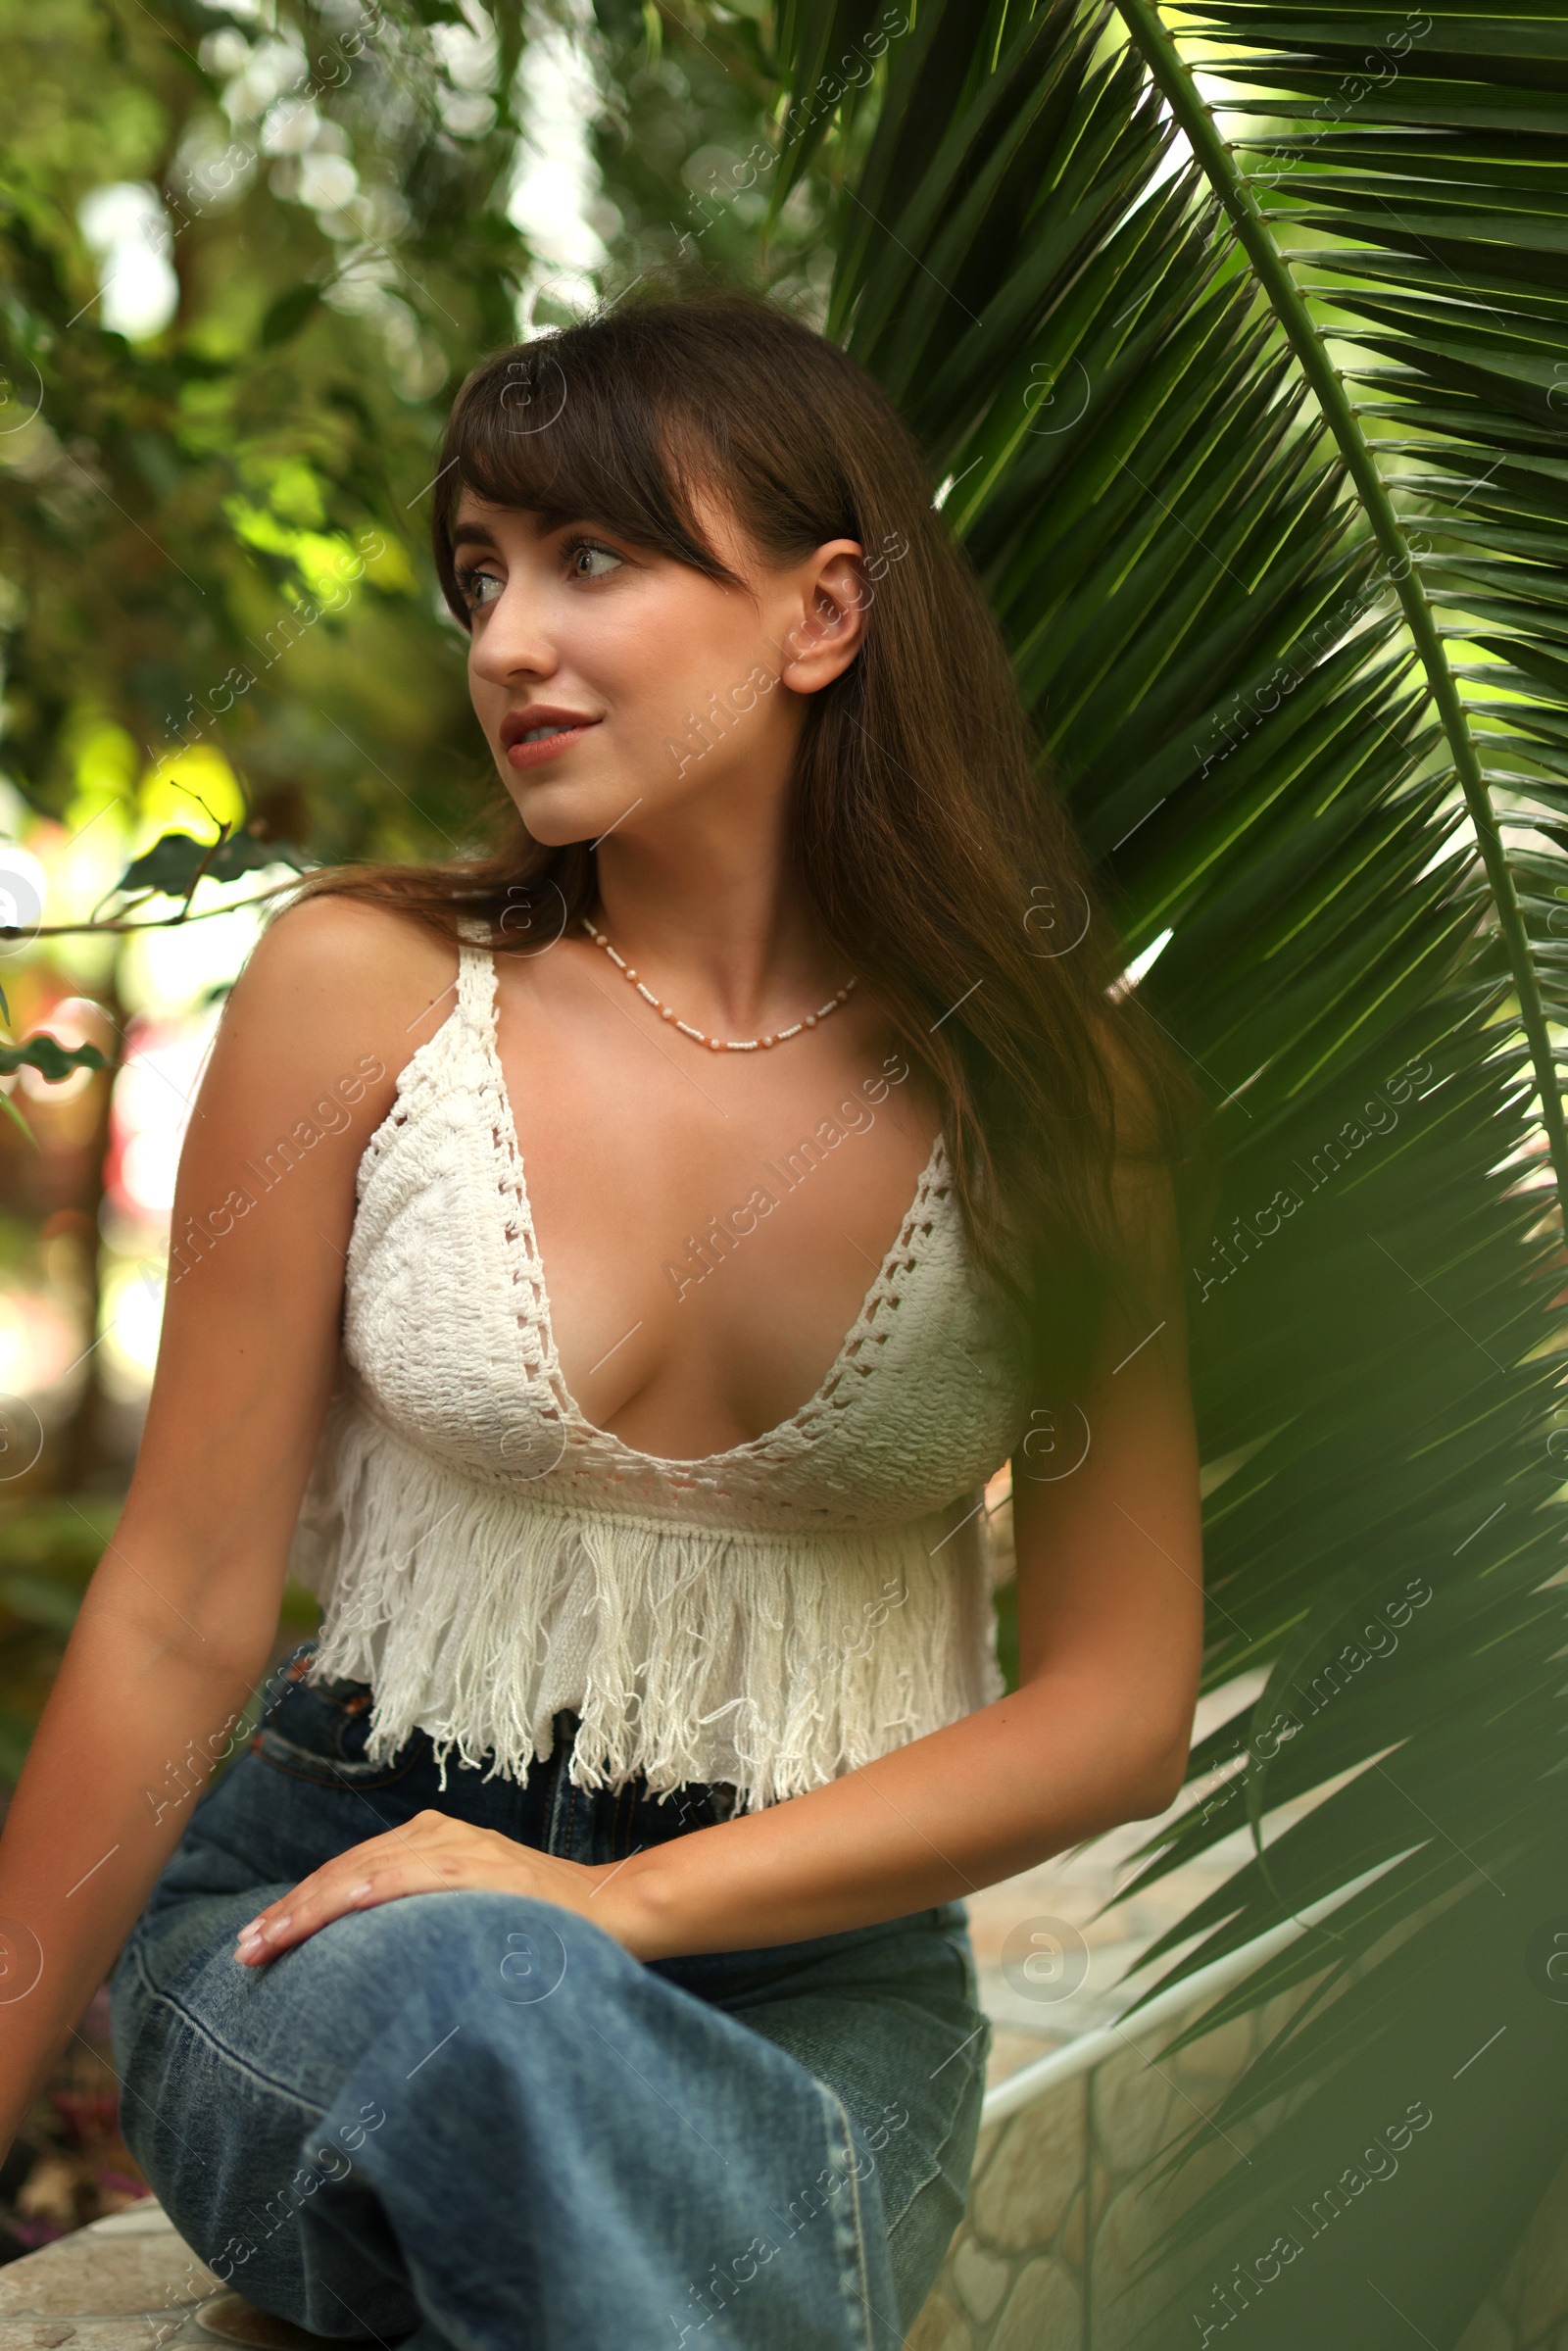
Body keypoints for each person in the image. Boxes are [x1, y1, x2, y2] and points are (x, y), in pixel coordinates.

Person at [0, 287, 1206, 2348]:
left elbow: (1113, 1705)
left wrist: (612, 1903)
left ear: (822, 615)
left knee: (548, 2016)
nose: (501, 642)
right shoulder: (365, 991)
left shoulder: (1050, 1103)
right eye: (477, 573)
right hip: (329, 1937)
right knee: (488, 1992)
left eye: (589, 559)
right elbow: (180, 1604)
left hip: (810, 2014)